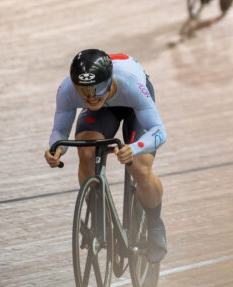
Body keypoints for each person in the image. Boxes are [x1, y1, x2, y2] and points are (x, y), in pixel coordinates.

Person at [45, 50, 168, 263]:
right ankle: (98, 211)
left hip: (133, 105)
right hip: (105, 110)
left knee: (138, 166)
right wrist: (56, 149)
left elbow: (159, 131)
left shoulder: (129, 83)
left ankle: (154, 222)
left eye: (97, 89)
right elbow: (60, 131)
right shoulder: (67, 89)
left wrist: (136, 147)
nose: (91, 97)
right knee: (86, 151)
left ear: (109, 81)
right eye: (83, 91)